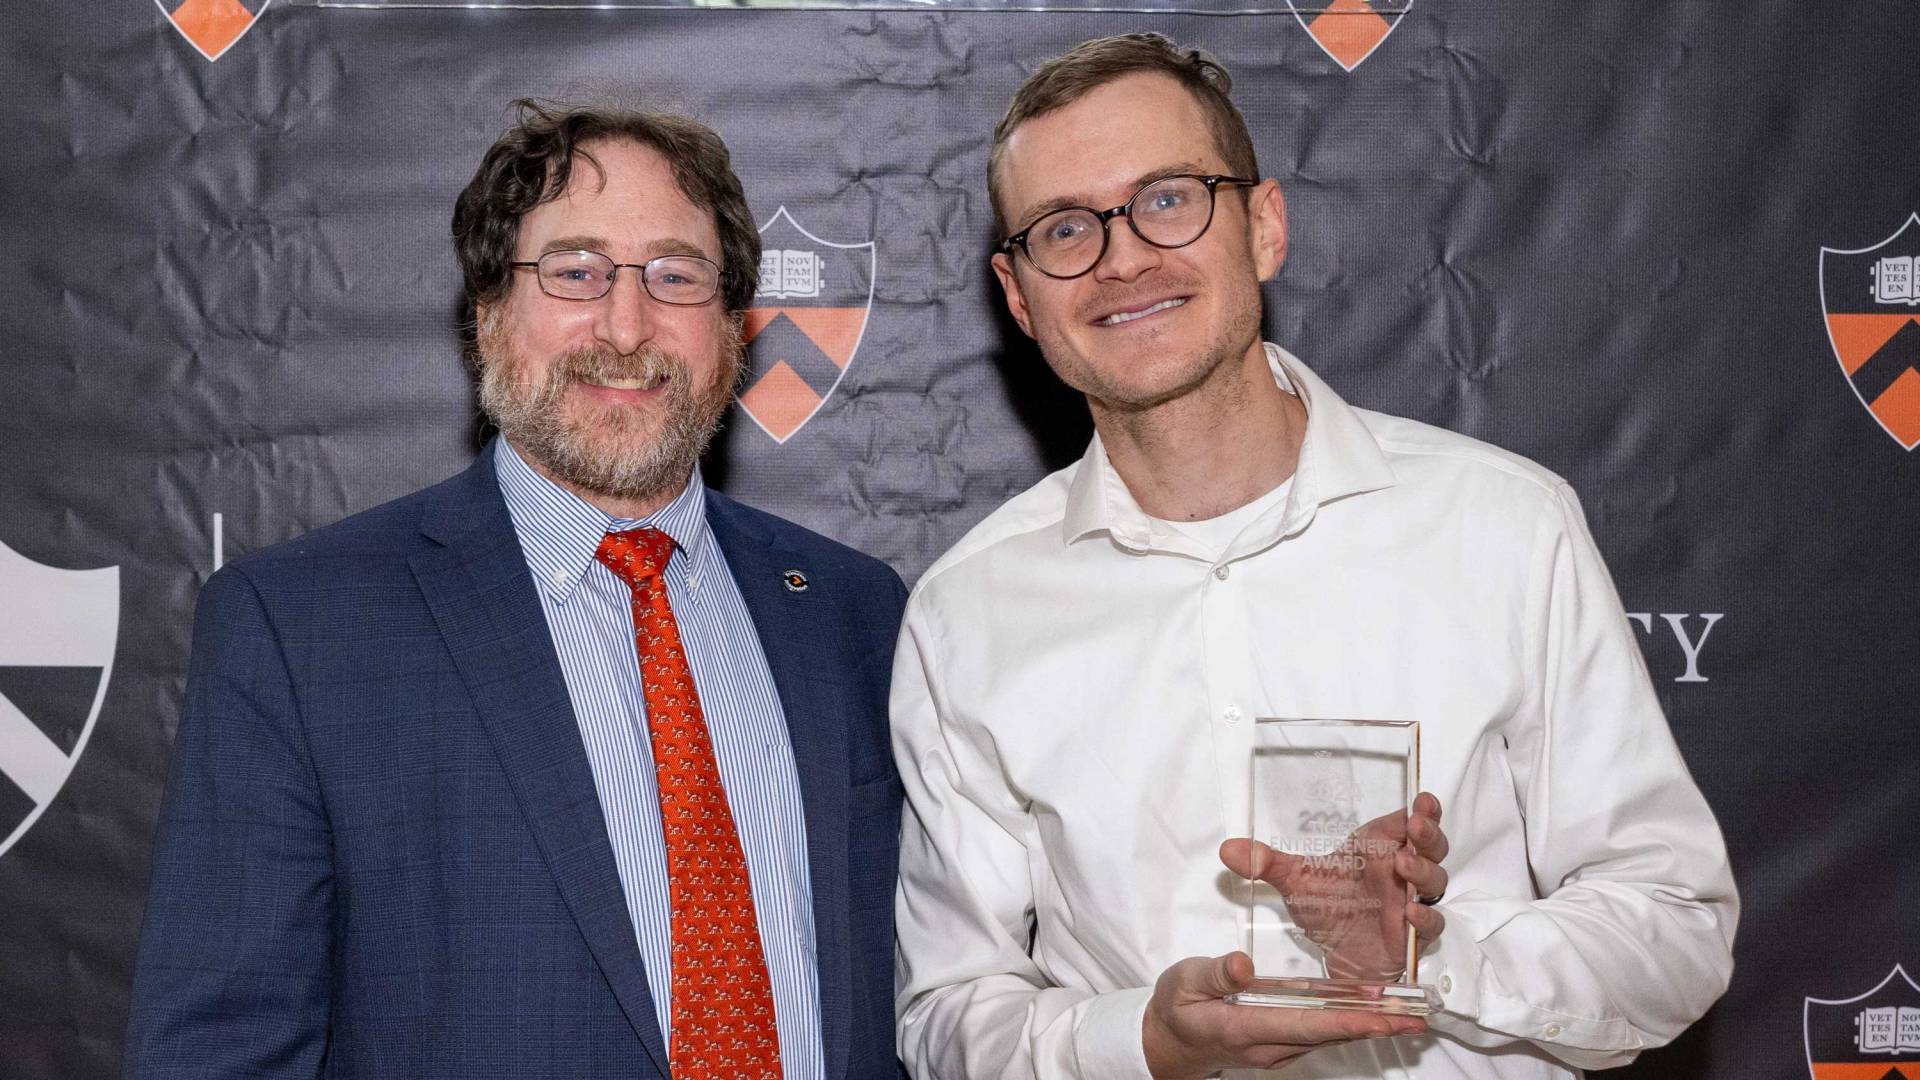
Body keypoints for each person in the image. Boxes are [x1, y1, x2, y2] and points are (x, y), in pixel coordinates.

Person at [891, 33, 1737, 1080]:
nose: (1121, 257)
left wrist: (1433, 956)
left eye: (1167, 200)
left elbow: (1674, 928)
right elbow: (947, 1014)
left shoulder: (1503, 525)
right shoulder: (967, 611)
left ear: (1263, 227)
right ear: (1020, 299)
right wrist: (1142, 1042)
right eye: (1065, 228)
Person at [124, 100, 908, 1080]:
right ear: (492, 309)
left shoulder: (855, 613)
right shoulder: (304, 630)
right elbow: (219, 1051)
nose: (627, 326)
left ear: (734, 326)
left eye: (676, 275)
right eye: (575, 272)